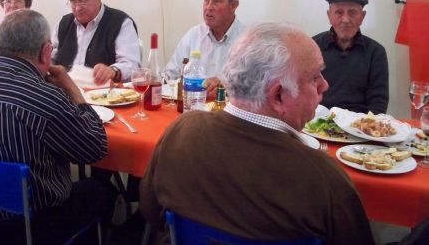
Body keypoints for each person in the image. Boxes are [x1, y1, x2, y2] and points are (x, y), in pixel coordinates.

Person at [140, 22, 375, 245]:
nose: (325, 85)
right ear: (278, 96)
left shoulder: (180, 133)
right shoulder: (324, 178)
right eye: (315, 77)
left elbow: (150, 211)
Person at [0, 9, 115, 244]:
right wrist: (74, 92)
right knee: (99, 190)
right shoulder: (44, 97)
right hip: (27, 225)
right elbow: (95, 149)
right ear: (46, 52)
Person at [51, 0, 141, 85]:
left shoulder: (121, 22)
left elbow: (131, 64)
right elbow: (49, 60)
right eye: (73, 2)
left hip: (104, 95)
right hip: (64, 94)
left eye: (83, 1)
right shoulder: (63, 24)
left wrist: (113, 71)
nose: (78, 8)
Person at [165, 0, 245, 95]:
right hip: (193, 107)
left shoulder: (248, 40)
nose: (208, 7)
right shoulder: (194, 35)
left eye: (216, 1)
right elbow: (170, 76)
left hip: (227, 110)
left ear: (233, 5)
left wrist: (227, 86)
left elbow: (257, 89)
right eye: (206, 0)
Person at [313, 0, 389, 114]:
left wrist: (368, 127)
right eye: (339, 12)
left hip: (359, 125)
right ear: (329, 15)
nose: (346, 19)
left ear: (362, 16)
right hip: (318, 122)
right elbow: (304, 91)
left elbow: (378, 100)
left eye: (352, 13)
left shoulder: (376, 52)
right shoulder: (313, 46)